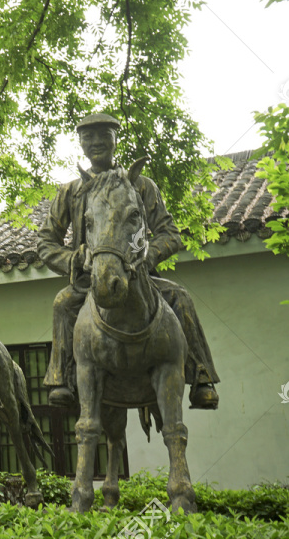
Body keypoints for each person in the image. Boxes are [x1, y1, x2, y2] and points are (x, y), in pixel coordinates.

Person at [38, 113, 219, 409]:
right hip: (91, 281)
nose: (96, 142)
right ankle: (62, 376)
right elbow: (45, 242)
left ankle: (201, 375)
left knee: (181, 298)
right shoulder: (70, 192)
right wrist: (73, 258)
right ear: (80, 144)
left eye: (103, 135)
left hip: (138, 278)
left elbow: (169, 233)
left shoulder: (141, 185)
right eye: (88, 137)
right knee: (62, 303)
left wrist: (144, 259)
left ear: (114, 140)